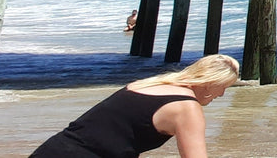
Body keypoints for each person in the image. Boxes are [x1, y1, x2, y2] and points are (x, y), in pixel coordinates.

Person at [32, 54, 239, 158]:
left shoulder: (148, 84)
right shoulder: (186, 107)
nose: (221, 95)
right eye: (224, 88)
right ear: (213, 82)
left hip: (52, 149)